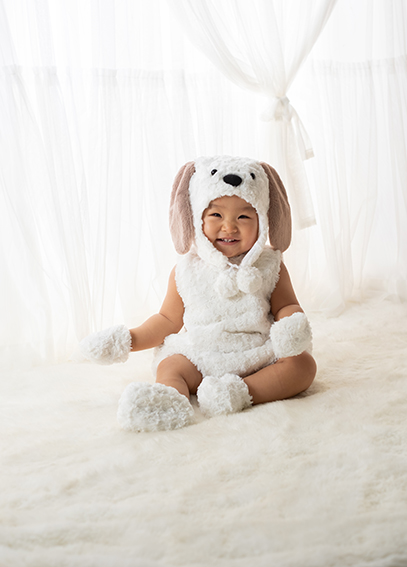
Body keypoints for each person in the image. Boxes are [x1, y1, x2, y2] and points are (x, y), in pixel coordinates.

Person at [79, 156, 317, 432]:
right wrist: (126, 340)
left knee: (302, 366)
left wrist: (291, 324)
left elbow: (287, 305)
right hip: (201, 355)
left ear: (263, 220)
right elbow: (167, 320)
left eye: (243, 217)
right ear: (195, 217)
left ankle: (238, 392)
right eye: (216, 215)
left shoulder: (270, 266)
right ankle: (169, 399)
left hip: (258, 356)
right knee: (171, 365)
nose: (229, 227)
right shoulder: (186, 270)